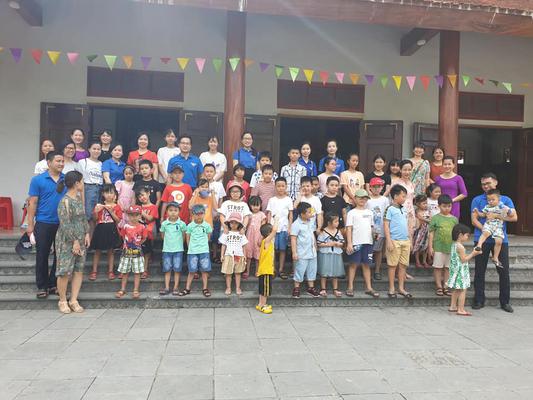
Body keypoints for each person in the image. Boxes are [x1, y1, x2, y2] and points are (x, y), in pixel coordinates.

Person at [471, 173, 518, 312]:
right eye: (483, 184)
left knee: (503, 271)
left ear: (496, 182)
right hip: (482, 237)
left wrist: (497, 216)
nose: (486, 186)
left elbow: (514, 217)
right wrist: (487, 230)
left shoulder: (506, 200)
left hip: (501, 240)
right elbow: (474, 219)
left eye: (488, 183)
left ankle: (505, 302)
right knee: (479, 271)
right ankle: (479, 300)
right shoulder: (477, 200)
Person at [26, 151, 65, 299]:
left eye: (62, 161)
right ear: (49, 163)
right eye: (58, 161)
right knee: (42, 255)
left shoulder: (66, 180)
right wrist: (30, 225)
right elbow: (32, 203)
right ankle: (42, 286)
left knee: (60, 255)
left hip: (62, 224)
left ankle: (54, 284)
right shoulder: (38, 180)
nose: (61, 164)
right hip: (43, 222)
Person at [55, 171, 89, 314]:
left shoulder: (78, 198)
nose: (83, 184)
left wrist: (87, 233)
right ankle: (62, 300)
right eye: (82, 181)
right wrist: (74, 241)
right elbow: (65, 223)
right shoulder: (65, 201)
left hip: (81, 238)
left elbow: (83, 217)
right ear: (76, 183)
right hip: (67, 241)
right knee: (64, 271)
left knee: (78, 270)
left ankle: (73, 300)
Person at [345, 189, 379, 298]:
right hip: (356, 243)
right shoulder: (351, 213)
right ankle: (350, 287)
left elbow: (372, 227)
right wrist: (349, 243)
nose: (362, 200)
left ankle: (369, 287)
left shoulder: (370, 212)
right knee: (353, 265)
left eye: (365, 198)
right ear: (355, 198)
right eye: (360, 198)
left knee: (366, 265)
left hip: (368, 242)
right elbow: (349, 229)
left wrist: (375, 234)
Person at [384, 184, 412, 299]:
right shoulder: (389, 209)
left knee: (403, 266)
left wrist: (410, 238)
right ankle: (391, 288)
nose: (404, 198)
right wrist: (389, 241)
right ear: (395, 196)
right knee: (392, 265)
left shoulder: (404, 209)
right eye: (403, 196)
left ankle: (401, 288)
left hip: (405, 240)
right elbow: (386, 225)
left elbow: (407, 224)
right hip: (394, 240)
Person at [89, 184, 122, 281]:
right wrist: (96, 211)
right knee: (97, 251)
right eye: (106, 192)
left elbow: (118, 220)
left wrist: (111, 211)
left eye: (111, 193)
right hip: (100, 228)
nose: (109, 195)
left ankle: (110, 271)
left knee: (111, 251)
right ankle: (94, 271)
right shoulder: (99, 205)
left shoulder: (117, 206)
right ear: (103, 194)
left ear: (115, 194)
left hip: (111, 229)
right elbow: (95, 219)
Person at [474, 189, 513, 269]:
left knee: (499, 242)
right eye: (489, 200)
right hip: (489, 225)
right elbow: (483, 215)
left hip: (498, 227)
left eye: (493, 200)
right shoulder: (487, 207)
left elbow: (511, 214)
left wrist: (508, 211)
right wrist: (477, 212)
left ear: (498, 199)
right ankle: (479, 245)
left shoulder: (501, 205)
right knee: (485, 234)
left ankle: (495, 257)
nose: (491, 202)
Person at [448, 224, 482, 316]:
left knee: (457, 289)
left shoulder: (454, 244)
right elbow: (464, 260)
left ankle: (453, 306)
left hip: (455, 269)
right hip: (461, 271)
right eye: (467, 235)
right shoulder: (460, 247)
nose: (468, 237)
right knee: (463, 290)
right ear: (460, 235)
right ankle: (461, 309)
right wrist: (474, 253)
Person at [115, 205, 148, 300]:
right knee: (124, 272)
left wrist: (138, 244)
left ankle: (136, 290)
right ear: (128, 216)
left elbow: (144, 238)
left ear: (140, 216)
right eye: (131, 215)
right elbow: (122, 236)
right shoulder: (125, 226)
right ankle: (123, 289)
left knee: (137, 272)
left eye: (136, 215)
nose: (134, 217)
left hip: (137, 253)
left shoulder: (142, 227)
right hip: (126, 253)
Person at [180, 204, 213, 297]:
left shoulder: (207, 225)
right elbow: (188, 238)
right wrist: (190, 248)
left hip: (204, 251)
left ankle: (205, 288)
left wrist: (204, 246)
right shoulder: (190, 226)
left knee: (204, 271)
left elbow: (208, 237)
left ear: (204, 214)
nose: (199, 216)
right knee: (191, 271)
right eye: (197, 214)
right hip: (192, 251)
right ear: (193, 214)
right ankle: (187, 288)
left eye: (201, 213)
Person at [428, 194, 458, 297]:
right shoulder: (435, 218)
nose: (447, 208)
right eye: (444, 206)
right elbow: (431, 233)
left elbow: (457, 235)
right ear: (439, 206)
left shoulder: (454, 219)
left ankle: (446, 286)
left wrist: (457, 247)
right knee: (438, 267)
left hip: (450, 247)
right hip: (438, 247)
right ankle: (439, 287)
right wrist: (430, 247)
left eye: (449, 206)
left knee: (448, 268)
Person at [266, 177, 293, 280]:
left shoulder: (288, 200)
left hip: (284, 228)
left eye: (283, 186)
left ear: (286, 187)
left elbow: (290, 215)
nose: (281, 188)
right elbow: (269, 214)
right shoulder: (272, 200)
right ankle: (272, 269)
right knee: (272, 249)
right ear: (275, 187)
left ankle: (281, 269)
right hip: (273, 228)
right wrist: (268, 227)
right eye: (278, 186)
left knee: (282, 249)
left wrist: (289, 227)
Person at [290, 202, 319, 298]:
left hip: (312, 251)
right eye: (309, 212)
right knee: (300, 269)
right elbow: (293, 239)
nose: (311, 213)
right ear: (302, 214)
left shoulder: (310, 222)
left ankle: (311, 287)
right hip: (302, 252)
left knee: (312, 269)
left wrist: (315, 245)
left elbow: (312, 234)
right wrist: (294, 252)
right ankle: (296, 288)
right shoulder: (296, 224)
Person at [159, 202, 187, 296]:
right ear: (166, 212)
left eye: (175, 210)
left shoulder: (182, 224)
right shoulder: (164, 224)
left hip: (178, 250)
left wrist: (179, 245)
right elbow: (163, 236)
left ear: (179, 212)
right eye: (170, 210)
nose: (173, 212)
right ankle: (167, 287)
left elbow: (184, 236)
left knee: (177, 269)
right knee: (167, 269)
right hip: (167, 250)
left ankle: (175, 287)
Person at [219, 212, 249, 295]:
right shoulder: (226, 233)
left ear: (239, 224)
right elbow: (223, 245)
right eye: (232, 222)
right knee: (228, 273)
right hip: (228, 255)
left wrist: (245, 256)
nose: (234, 224)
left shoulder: (241, 234)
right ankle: (228, 287)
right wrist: (222, 255)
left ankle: (238, 287)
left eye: (236, 222)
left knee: (238, 273)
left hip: (238, 255)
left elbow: (244, 246)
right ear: (229, 223)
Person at [317, 212, 345, 298]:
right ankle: (323, 288)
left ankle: (335, 289)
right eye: (335, 221)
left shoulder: (338, 231)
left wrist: (339, 244)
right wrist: (329, 244)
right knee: (324, 271)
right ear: (329, 222)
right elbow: (319, 243)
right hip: (326, 253)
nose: (338, 223)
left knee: (335, 271)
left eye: (338, 221)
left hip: (336, 253)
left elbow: (342, 242)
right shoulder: (323, 232)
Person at [366, 177, 389, 281]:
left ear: (382, 187)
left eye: (378, 186)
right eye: (374, 187)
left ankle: (377, 270)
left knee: (378, 251)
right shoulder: (367, 199)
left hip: (381, 229)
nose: (376, 189)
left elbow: (387, 214)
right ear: (370, 187)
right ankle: (367, 269)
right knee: (368, 250)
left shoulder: (385, 199)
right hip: (368, 229)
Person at [256, 218, 278, 314]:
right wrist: (276, 220)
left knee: (263, 289)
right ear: (269, 233)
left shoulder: (265, 241)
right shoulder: (267, 241)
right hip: (266, 270)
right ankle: (263, 305)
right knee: (265, 290)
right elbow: (275, 230)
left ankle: (260, 304)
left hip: (264, 269)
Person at [136, 187, 159, 279]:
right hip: (139, 232)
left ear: (148, 193)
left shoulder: (154, 207)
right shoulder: (138, 207)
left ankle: (145, 270)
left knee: (146, 252)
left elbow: (150, 218)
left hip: (149, 232)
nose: (142, 198)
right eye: (139, 197)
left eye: (143, 195)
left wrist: (140, 211)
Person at [78, 142, 103, 222]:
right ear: (89, 149)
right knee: (87, 214)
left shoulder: (101, 163)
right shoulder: (83, 162)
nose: (96, 151)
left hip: (100, 189)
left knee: (97, 216)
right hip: (88, 188)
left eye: (98, 149)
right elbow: (79, 179)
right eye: (94, 149)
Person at [391, 160, 416, 238]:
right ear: (400, 170)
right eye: (405, 170)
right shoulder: (396, 183)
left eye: (409, 170)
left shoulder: (412, 183)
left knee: (410, 233)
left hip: (410, 211)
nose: (407, 172)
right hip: (399, 211)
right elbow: (392, 199)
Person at [245, 196, 266, 279]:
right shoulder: (248, 214)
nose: (255, 207)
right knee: (248, 254)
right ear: (250, 205)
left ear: (260, 205)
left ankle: (257, 270)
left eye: (257, 205)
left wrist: (261, 237)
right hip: (249, 236)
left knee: (258, 255)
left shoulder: (262, 215)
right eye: (253, 205)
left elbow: (263, 227)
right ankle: (247, 271)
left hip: (258, 235)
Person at [412, 194, 431, 269]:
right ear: (418, 204)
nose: (426, 205)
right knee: (418, 246)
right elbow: (420, 219)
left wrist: (424, 219)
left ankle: (424, 261)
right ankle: (417, 261)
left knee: (426, 247)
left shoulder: (428, 211)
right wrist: (426, 220)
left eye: (426, 203)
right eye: (424, 203)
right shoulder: (416, 211)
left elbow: (430, 219)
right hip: (420, 232)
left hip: (427, 231)